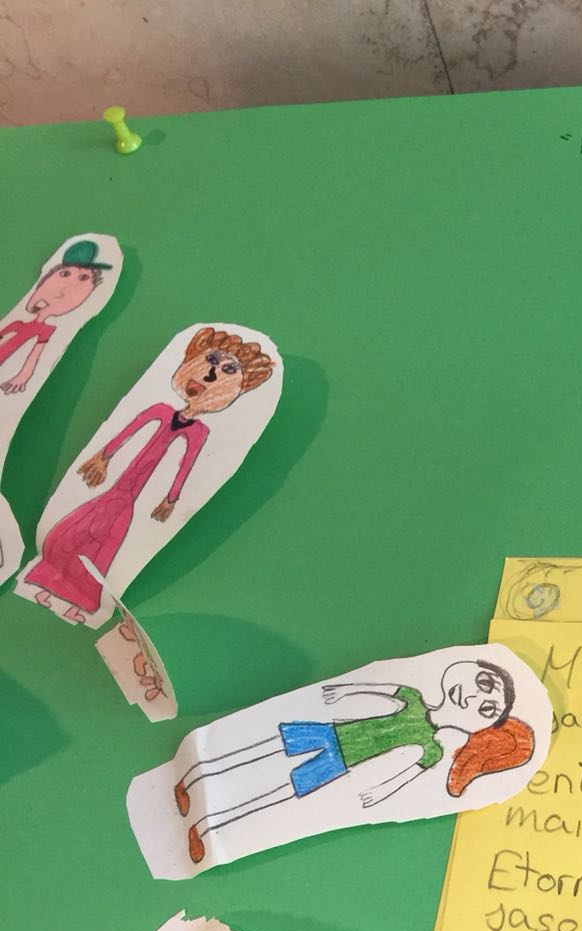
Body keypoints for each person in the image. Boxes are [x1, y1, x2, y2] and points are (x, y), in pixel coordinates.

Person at [173, 657, 536, 865]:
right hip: (330, 732)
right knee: (260, 751)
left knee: (280, 792)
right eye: (483, 683)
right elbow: (381, 689)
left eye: (486, 708)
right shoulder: (413, 697)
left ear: (481, 728)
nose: (471, 698)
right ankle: (188, 782)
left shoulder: (434, 750)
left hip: (340, 764)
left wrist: (379, 793)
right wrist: (344, 690)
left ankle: (202, 830)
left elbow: (404, 776)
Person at [22, 326, 274, 621]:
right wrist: (102, 458)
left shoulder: (198, 433)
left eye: (228, 371)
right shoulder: (159, 410)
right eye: (211, 361)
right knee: (75, 533)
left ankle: (77, 599)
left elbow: (185, 467)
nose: (210, 375)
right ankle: (48, 583)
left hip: (129, 501)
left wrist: (171, 499)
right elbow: (126, 432)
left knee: (104, 546)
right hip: (115, 492)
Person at [0, 239, 112, 396]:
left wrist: (23, 376)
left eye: (83, 278)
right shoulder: (17, 324)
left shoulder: (45, 331)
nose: (66, 288)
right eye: (65, 274)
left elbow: (34, 356)